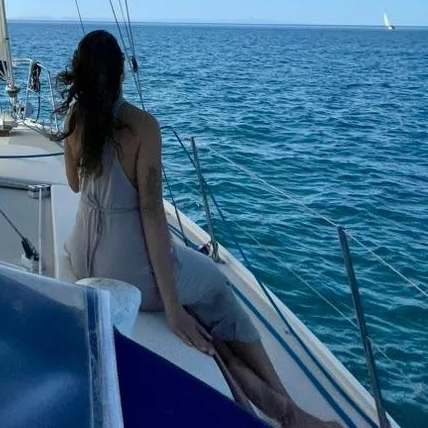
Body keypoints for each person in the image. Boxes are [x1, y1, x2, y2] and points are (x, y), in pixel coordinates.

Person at [56, 30, 338, 428]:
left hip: (82, 254)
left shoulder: (74, 120)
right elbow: (152, 214)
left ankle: (268, 399)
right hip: (126, 270)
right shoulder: (142, 127)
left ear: (79, 73)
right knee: (215, 287)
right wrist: (172, 307)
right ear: (120, 72)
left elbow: (73, 184)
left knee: (192, 293)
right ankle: (291, 410)